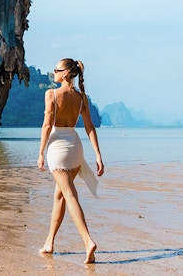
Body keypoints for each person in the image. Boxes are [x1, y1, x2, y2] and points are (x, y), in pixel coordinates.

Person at [37, 58, 104, 264]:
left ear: (65, 73)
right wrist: (98, 155)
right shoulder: (81, 97)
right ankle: (49, 242)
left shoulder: (52, 94)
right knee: (60, 196)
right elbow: (90, 127)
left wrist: (40, 152)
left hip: (57, 149)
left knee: (70, 195)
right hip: (75, 148)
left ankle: (88, 241)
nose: (53, 73)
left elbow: (47, 126)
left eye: (56, 70)